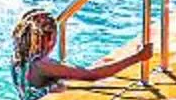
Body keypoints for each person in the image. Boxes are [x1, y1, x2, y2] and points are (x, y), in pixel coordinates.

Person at [8, 8, 150, 90]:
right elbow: (92, 75)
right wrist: (137, 57)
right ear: (50, 39)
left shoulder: (17, 58)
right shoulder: (43, 66)